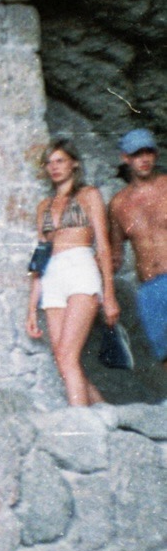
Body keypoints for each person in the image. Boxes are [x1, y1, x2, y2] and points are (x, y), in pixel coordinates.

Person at [25, 140, 118, 405]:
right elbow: (40, 256)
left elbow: (103, 245)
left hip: (81, 270)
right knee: (62, 359)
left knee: (67, 357)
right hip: (52, 276)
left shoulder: (89, 195)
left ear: (74, 163)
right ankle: (105, 417)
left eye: (60, 160)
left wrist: (109, 296)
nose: (54, 167)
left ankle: (83, 426)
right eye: (50, 162)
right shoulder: (44, 206)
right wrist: (32, 308)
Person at [108, 128, 167, 370]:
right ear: (125, 158)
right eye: (136, 154)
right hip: (149, 288)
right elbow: (114, 256)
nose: (144, 159)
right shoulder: (118, 205)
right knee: (164, 355)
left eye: (148, 153)